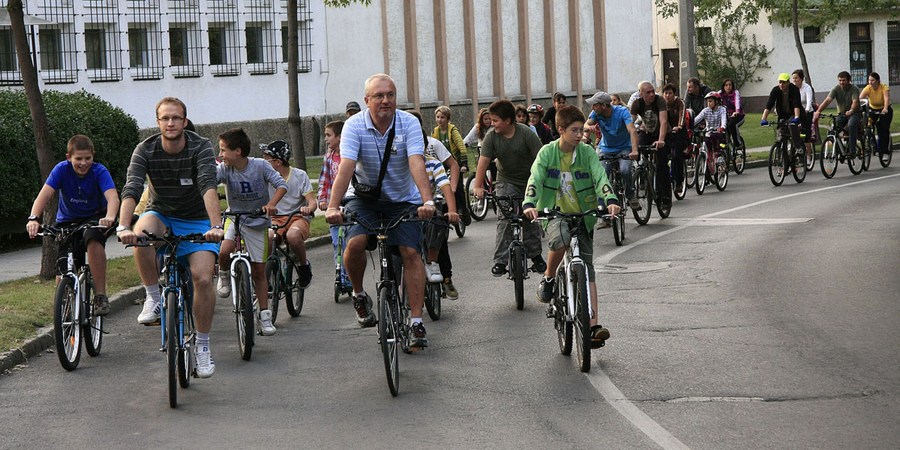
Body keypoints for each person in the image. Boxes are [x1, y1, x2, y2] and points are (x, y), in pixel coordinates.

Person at [324, 73, 436, 349]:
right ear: (367, 100)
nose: (386, 101)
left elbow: (416, 162)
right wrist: (332, 206)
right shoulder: (354, 126)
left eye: (391, 95)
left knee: (411, 252)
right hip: (365, 198)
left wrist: (427, 201)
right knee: (355, 243)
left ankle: (416, 322)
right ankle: (359, 294)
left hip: (403, 200)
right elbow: (346, 166)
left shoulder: (408, 122)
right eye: (379, 96)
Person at [118, 97, 224, 378]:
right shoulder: (145, 149)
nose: (171, 123)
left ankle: (202, 346)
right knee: (141, 235)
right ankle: (153, 296)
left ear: (185, 121)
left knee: (202, 278)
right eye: (165, 118)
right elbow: (132, 186)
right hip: (161, 213)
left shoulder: (200, 146)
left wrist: (215, 224)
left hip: (199, 218)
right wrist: (123, 226)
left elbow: (208, 184)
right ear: (158, 122)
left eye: (176, 118)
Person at [522, 105, 621, 347]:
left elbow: (600, 176)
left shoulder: (586, 152)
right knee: (561, 239)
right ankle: (548, 278)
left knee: (587, 269)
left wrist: (610, 199)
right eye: (575, 130)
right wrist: (530, 203)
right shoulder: (547, 153)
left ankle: (593, 326)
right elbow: (535, 177)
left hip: (583, 214)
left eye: (582, 130)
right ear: (560, 130)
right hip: (554, 213)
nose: (580, 135)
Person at [26, 134, 119, 316]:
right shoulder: (61, 170)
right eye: (78, 159)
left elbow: (112, 197)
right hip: (67, 221)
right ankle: (65, 304)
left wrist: (109, 216)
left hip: (95, 218)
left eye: (88, 158)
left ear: (93, 156)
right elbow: (44, 196)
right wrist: (33, 218)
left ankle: (100, 295)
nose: (83, 163)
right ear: (69, 157)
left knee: (92, 239)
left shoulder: (99, 171)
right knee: (65, 260)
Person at [215, 128, 287, 336]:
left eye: (223, 150)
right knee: (224, 250)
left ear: (237, 151)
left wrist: (271, 204)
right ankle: (224, 275)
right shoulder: (225, 169)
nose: (220, 155)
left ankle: (264, 316)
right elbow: (210, 180)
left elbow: (281, 185)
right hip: (235, 217)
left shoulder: (260, 166)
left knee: (258, 271)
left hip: (257, 221)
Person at [471, 99, 546, 277]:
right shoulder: (492, 136)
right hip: (506, 180)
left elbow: (543, 160)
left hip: (530, 180)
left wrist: (545, 183)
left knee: (530, 217)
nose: (492, 124)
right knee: (505, 218)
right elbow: (483, 161)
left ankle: (535, 255)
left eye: (496, 120)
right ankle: (500, 261)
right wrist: (478, 186)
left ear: (508, 120)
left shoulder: (526, 134)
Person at [263, 139, 316, 288]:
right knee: (268, 237)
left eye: (268, 159)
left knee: (293, 236)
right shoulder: (266, 177)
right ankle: (267, 273)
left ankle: (304, 266)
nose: (265, 162)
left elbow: (312, 201)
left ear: (278, 162)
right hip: (275, 218)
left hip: (296, 217)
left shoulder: (300, 175)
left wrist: (308, 208)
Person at [585, 91, 639, 211]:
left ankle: (630, 195)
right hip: (606, 149)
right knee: (601, 175)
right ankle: (602, 210)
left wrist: (634, 150)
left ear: (603, 106)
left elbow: (632, 131)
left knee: (625, 170)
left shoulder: (622, 112)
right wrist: (589, 128)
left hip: (624, 148)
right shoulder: (595, 113)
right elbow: (586, 125)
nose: (592, 107)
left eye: (595, 105)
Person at [317, 120, 350, 291]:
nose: (326, 139)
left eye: (329, 135)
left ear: (339, 137)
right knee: (337, 243)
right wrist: (322, 199)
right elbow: (325, 179)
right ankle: (341, 274)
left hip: (350, 204)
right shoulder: (329, 157)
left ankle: (351, 275)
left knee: (350, 243)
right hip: (334, 205)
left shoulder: (349, 155)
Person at [630, 81, 671, 207]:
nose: (652, 94)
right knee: (639, 148)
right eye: (648, 92)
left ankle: (665, 197)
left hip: (662, 134)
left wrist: (661, 140)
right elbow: (629, 123)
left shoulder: (660, 101)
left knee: (661, 165)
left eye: (653, 91)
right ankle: (643, 174)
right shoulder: (637, 104)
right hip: (647, 132)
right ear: (641, 93)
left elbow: (663, 121)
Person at [432, 105, 470, 226]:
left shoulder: (452, 130)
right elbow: (433, 148)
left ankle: (463, 210)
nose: (439, 120)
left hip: (455, 161)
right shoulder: (435, 131)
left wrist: (464, 164)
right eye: (437, 117)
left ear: (448, 119)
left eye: (442, 117)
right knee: (440, 186)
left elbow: (461, 147)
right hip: (442, 162)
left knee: (457, 187)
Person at [813, 71, 861, 157]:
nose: (841, 82)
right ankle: (839, 151)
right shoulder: (836, 89)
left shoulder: (854, 89)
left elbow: (855, 101)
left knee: (851, 125)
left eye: (844, 80)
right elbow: (828, 100)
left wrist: (851, 110)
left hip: (854, 113)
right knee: (833, 130)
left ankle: (852, 150)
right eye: (840, 80)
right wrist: (818, 111)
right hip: (842, 114)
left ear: (849, 80)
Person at [762, 73, 804, 159]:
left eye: (784, 82)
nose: (781, 85)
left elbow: (797, 104)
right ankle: (781, 157)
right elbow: (769, 105)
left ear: (788, 82)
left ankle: (797, 147)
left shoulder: (794, 89)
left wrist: (796, 117)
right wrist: (763, 119)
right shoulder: (776, 90)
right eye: (780, 82)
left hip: (793, 113)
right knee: (780, 133)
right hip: (782, 115)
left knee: (792, 126)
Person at [661, 83, 689, 193]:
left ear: (674, 94)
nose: (668, 95)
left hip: (679, 132)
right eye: (666, 93)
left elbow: (682, 115)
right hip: (667, 132)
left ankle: (679, 182)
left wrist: (679, 126)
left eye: (670, 93)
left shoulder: (679, 102)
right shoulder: (661, 104)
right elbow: (663, 119)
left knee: (677, 155)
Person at [859, 71, 893, 156]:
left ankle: (885, 152)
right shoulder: (868, 88)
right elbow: (860, 99)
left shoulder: (884, 87)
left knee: (883, 129)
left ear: (878, 81)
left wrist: (885, 108)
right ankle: (871, 144)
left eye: (873, 80)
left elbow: (886, 98)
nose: (870, 82)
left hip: (884, 110)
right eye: (869, 80)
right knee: (867, 125)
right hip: (872, 109)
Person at [692, 92, 728, 165]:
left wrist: (722, 127)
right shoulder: (706, 110)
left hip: (719, 132)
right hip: (709, 132)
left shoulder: (722, 109)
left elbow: (724, 119)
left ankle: (719, 156)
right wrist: (690, 125)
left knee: (719, 142)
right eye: (707, 101)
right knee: (706, 142)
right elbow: (697, 119)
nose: (709, 103)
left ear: (716, 101)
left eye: (711, 101)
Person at [792, 69, 816, 157]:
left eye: (796, 78)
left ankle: (809, 155)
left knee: (806, 133)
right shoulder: (792, 88)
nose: (794, 80)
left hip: (807, 112)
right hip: (796, 111)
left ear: (801, 79)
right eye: (793, 78)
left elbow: (809, 101)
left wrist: (806, 110)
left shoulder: (807, 88)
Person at [720, 78, 744, 149]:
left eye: (730, 85)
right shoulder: (720, 93)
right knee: (722, 126)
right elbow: (714, 97)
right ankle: (724, 144)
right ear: (723, 86)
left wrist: (736, 111)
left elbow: (737, 102)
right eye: (726, 85)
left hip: (738, 116)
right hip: (726, 116)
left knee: (732, 124)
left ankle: (737, 143)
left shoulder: (735, 92)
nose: (728, 87)